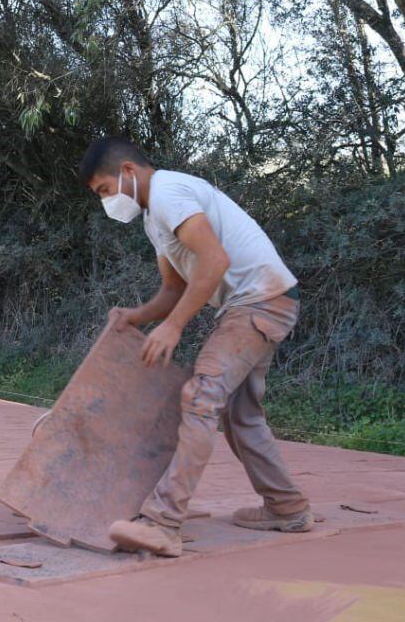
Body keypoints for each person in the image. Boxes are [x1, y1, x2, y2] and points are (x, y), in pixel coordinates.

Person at [79, 136, 312, 557]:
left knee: (200, 396)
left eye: (104, 191)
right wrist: (136, 315)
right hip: (262, 302)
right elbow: (174, 287)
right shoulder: (155, 219)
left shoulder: (169, 192)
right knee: (240, 417)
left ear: (128, 171)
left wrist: (172, 328)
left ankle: (163, 522)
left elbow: (215, 261)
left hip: (258, 302)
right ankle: (288, 508)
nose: (106, 203)